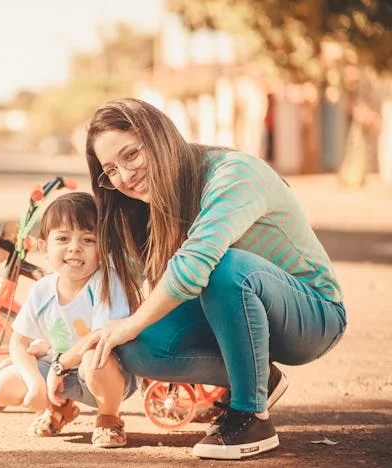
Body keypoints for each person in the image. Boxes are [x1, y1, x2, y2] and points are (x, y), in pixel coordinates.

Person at [78, 98, 347, 460]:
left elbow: (194, 266)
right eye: (110, 169)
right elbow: (135, 281)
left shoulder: (233, 173)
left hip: (312, 318)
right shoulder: (152, 202)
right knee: (136, 344)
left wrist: (129, 323)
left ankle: (251, 416)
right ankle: (258, 380)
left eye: (131, 155)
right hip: (239, 315)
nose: (124, 177)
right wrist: (65, 348)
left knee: (223, 267)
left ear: (158, 137)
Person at [0, 192, 136, 448]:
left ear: (104, 247)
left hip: (108, 371)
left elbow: (100, 337)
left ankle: (109, 418)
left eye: (88, 239)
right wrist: (35, 384)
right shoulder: (42, 290)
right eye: (63, 238)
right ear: (45, 247)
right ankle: (60, 408)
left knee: (93, 359)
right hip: (60, 372)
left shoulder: (106, 282)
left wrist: (59, 366)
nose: (75, 247)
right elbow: (19, 344)